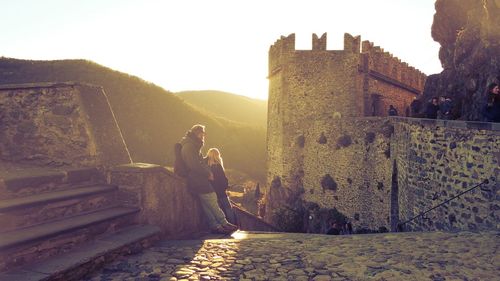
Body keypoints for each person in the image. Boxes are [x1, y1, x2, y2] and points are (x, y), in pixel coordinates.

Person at [179, 124, 238, 234]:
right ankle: (224, 223)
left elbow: (198, 163)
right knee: (211, 198)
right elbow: (194, 165)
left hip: (196, 180)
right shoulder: (190, 146)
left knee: (206, 205)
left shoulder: (191, 145)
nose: (203, 136)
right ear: (197, 133)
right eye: (202, 134)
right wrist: (207, 173)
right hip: (198, 180)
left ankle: (215, 226)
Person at [206, 148, 237, 225]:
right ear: (217, 155)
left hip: (212, 191)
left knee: (216, 209)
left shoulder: (207, 167)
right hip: (221, 191)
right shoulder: (218, 166)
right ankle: (232, 224)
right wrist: (226, 186)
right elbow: (223, 179)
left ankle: (219, 224)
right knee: (228, 208)